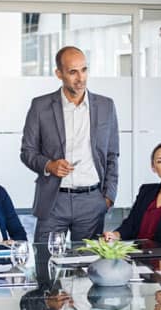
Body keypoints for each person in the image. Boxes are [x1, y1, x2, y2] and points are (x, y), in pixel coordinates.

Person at [20, 46, 120, 242]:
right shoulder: (40, 106)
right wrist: (49, 165)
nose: (80, 78)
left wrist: (109, 196)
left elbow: (112, 154)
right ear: (59, 73)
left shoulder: (106, 106)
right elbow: (27, 151)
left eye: (84, 70)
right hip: (53, 200)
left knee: (86, 266)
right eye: (73, 72)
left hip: (92, 201)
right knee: (45, 264)